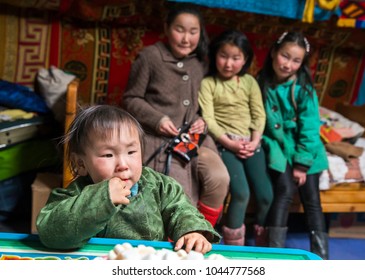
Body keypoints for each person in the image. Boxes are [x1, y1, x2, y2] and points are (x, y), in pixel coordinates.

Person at [36, 105, 221, 254]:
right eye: (108, 155)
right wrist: (101, 198)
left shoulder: (160, 186)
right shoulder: (75, 194)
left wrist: (192, 231)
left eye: (131, 152)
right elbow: (50, 232)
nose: (123, 164)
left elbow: (181, 210)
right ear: (81, 163)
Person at [122, 3, 229, 227]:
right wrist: (158, 119)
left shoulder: (200, 62)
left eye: (193, 32)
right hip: (160, 139)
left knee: (220, 178)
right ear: (166, 27)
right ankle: (182, 236)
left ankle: (202, 231)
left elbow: (202, 104)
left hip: (194, 139)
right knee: (181, 196)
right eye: (179, 29)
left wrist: (201, 120)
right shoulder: (150, 57)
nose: (186, 38)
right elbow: (131, 99)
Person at [257, 31, 329, 259]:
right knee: (284, 191)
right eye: (285, 56)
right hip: (279, 150)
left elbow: (309, 129)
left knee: (312, 200)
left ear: (302, 64)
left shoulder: (304, 90)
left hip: (307, 154)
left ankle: (321, 254)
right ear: (273, 53)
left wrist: (301, 165)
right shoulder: (261, 84)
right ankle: (274, 253)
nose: (288, 64)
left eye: (296, 60)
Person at [198, 29, 273, 246]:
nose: (229, 63)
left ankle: (262, 239)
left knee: (266, 195)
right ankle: (234, 247)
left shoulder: (249, 82)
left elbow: (259, 113)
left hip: (251, 143)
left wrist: (255, 141)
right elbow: (209, 119)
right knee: (241, 193)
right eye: (224, 56)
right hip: (226, 145)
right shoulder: (209, 83)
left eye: (236, 58)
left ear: (245, 59)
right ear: (214, 56)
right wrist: (230, 143)